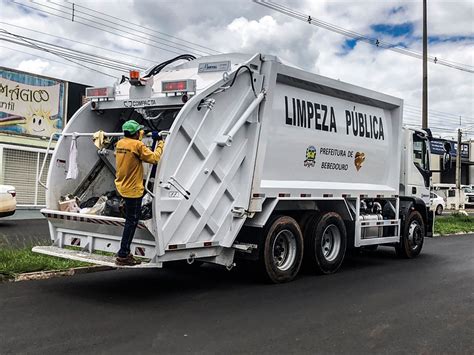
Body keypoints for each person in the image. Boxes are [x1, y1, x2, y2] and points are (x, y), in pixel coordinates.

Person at [114, 120, 164, 266]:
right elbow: (154, 158)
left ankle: (124, 252)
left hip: (121, 185)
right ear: (135, 133)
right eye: (139, 131)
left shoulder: (121, 144)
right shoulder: (138, 145)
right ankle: (123, 254)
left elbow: (133, 142)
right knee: (132, 221)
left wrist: (144, 133)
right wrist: (160, 142)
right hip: (134, 190)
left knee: (130, 218)